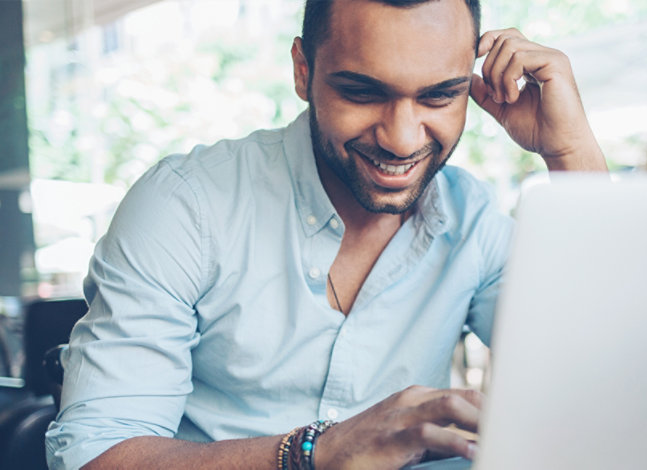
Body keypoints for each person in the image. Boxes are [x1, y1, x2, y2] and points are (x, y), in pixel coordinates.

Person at [45, 0, 607, 468]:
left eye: (438, 96)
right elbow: (97, 455)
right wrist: (316, 452)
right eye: (363, 93)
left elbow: (602, 378)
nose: (401, 139)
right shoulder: (185, 207)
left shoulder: (474, 223)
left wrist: (570, 151)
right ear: (302, 70)